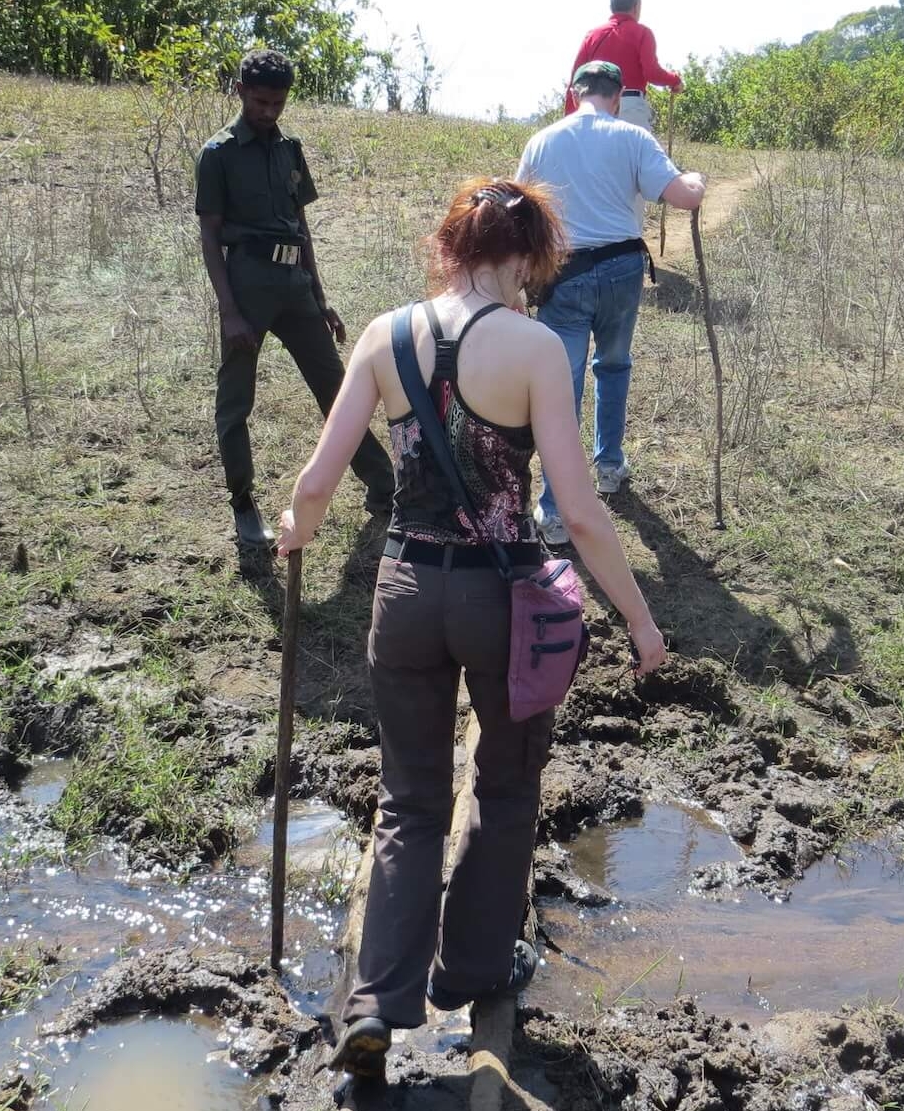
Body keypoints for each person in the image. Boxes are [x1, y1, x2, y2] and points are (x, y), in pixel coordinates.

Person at [276, 177, 669, 1083]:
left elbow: (318, 481)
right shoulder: (533, 347)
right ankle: (475, 969)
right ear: (530, 258)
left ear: (450, 245)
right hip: (503, 598)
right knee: (504, 785)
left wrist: (297, 530)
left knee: (409, 798)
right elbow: (577, 511)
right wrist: (639, 621)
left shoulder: (384, 334)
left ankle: (377, 1001)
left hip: (406, 589)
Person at [196, 49, 394, 548]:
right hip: (247, 286)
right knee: (236, 403)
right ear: (240, 91)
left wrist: (321, 297)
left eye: (278, 103)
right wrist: (230, 312)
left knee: (338, 390)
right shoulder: (218, 153)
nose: (269, 111)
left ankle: (384, 486)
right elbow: (210, 236)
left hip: (295, 285)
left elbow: (302, 227)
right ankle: (243, 505)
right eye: (261, 101)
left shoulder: (290, 149)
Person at [518, 60, 706, 547]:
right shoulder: (633, 138)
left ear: (574, 92)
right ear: (618, 95)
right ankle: (608, 466)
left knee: (562, 388)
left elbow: (519, 212)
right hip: (622, 271)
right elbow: (682, 198)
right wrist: (697, 180)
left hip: (565, 274)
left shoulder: (543, 141)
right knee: (615, 363)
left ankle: (554, 511)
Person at [564, 0, 684, 135]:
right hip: (631, 108)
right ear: (637, 6)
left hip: (596, 107)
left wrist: (570, 119)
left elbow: (575, 81)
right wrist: (675, 80)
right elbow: (652, 73)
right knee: (638, 155)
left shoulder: (592, 35)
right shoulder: (643, 33)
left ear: (612, 7)